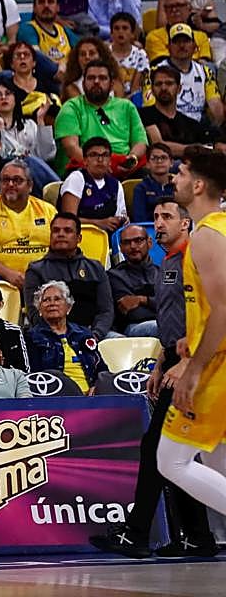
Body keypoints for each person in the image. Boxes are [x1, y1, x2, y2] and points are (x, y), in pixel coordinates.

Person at [92, 199, 217, 558]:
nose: (158, 223)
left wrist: (187, 362)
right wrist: (162, 362)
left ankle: (137, 534)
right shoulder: (168, 264)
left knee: (159, 448)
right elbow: (174, 321)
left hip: (201, 362)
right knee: (172, 452)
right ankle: (197, 537)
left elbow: (213, 314)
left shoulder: (197, 258)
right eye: (157, 217)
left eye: (167, 217)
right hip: (177, 358)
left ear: (186, 223)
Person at [157, 148, 226, 518]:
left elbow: (223, 309)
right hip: (215, 355)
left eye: (181, 173)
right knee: (217, 462)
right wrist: (193, 335)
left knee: (171, 461)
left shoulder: (207, 237)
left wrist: (194, 369)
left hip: (217, 367)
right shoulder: (217, 229)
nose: (174, 178)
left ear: (198, 185)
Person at [0, 159, 57, 288]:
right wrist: (8, 274)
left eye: (17, 180)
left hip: (43, 275)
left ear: (30, 186)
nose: (10, 184)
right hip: (0, 277)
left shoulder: (47, 210)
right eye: (5, 180)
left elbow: (60, 247)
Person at [24, 213, 115, 339]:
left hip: (93, 334)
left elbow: (106, 310)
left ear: (79, 238)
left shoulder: (96, 268)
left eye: (67, 231)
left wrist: (95, 335)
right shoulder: (36, 270)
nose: (61, 234)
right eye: (56, 231)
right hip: (51, 335)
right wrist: (59, 334)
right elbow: (33, 312)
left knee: (118, 342)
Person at [54, 61, 147, 174]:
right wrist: (101, 166)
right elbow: (71, 148)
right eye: (91, 78)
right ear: (83, 84)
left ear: (111, 84)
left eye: (102, 78)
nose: (96, 82)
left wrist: (132, 159)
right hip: (86, 166)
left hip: (125, 165)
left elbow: (140, 142)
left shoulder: (127, 106)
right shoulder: (71, 107)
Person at [26, 280, 109, 393]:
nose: (52, 303)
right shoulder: (31, 337)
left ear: (68, 307)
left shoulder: (84, 334)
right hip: (56, 396)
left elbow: (101, 368)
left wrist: (97, 386)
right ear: (39, 309)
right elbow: (34, 376)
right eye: (46, 300)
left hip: (91, 396)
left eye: (57, 299)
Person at [154, 24, 224, 126]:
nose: (182, 45)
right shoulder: (154, 72)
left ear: (194, 46)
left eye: (186, 41)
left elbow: (217, 110)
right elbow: (151, 110)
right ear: (168, 47)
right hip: (168, 127)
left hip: (198, 128)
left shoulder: (205, 72)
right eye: (176, 42)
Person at [59, 136, 127, 233]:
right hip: (79, 235)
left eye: (105, 155)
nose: (100, 159)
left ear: (110, 161)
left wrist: (123, 221)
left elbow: (120, 217)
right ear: (85, 160)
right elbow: (67, 220)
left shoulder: (116, 185)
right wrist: (98, 223)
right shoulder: (76, 178)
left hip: (109, 237)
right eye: (94, 155)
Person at [108, 224, 161, 338]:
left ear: (149, 242)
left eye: (138, 240)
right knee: (163, 326)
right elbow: (134, 314)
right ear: (121, 247)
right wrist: (157, 304)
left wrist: (142, 300)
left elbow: (175, 306)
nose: (133, 246)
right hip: (132, 327)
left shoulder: (162, 272)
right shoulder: (114, 276)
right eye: (127, 242)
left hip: (164, 322)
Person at [146, 0, 214, 63]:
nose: (174, 10)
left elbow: (205, 62)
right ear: (165, 11)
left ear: (189, 9)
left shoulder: (201, 37)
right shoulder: (154, 36)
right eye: (170, 6)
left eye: (179, 5)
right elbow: (162, 63)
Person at [133, 142, 176, 222]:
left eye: (163, 157)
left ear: (171, 163)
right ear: (147, 164)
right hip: (150, 228)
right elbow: (139, 220)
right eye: (154, 158)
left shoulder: (179, 186)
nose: (159, 161)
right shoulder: (141, 188)